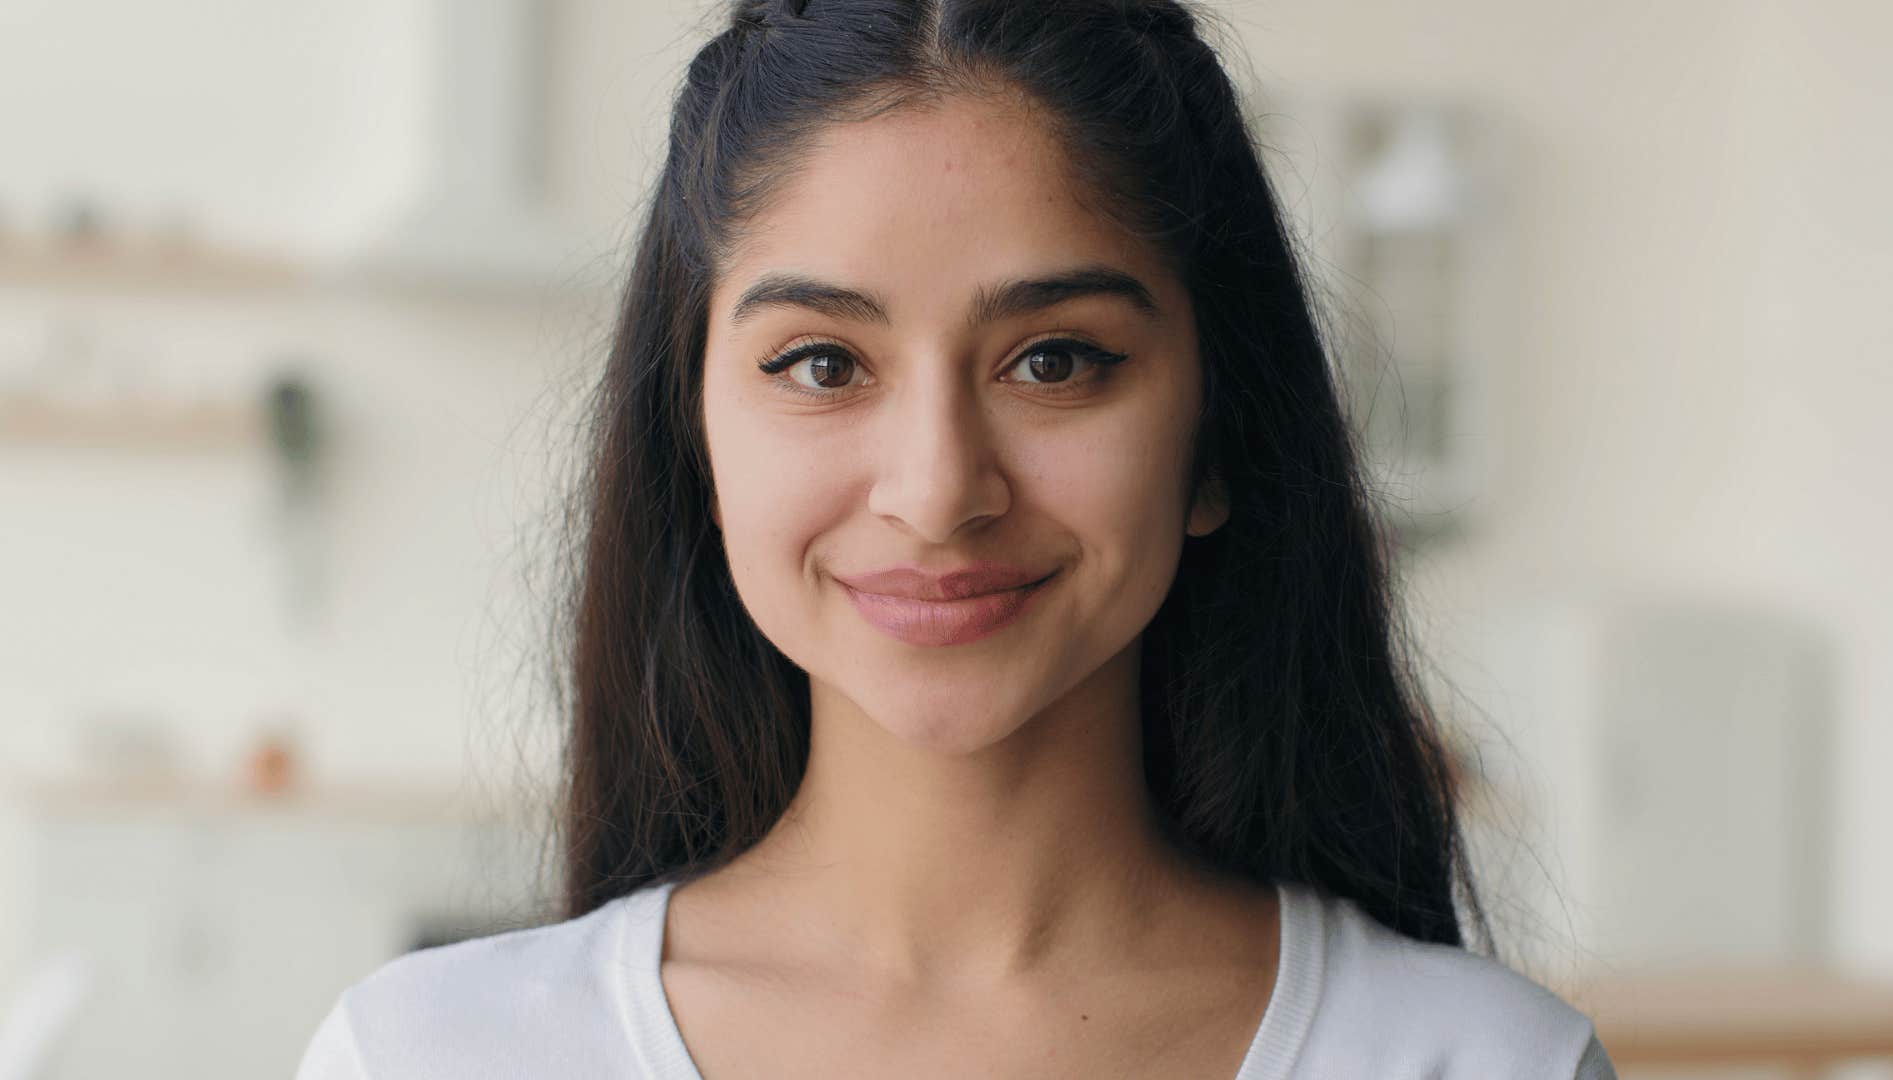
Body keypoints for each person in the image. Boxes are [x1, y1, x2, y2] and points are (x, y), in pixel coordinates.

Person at [297, 0, 1616, 1075]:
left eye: (1054, 361)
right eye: (821, 365)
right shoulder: (430, 1057)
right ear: (698, 446)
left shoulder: (1479, 1065)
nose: (938, 491)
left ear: (1216, 441)